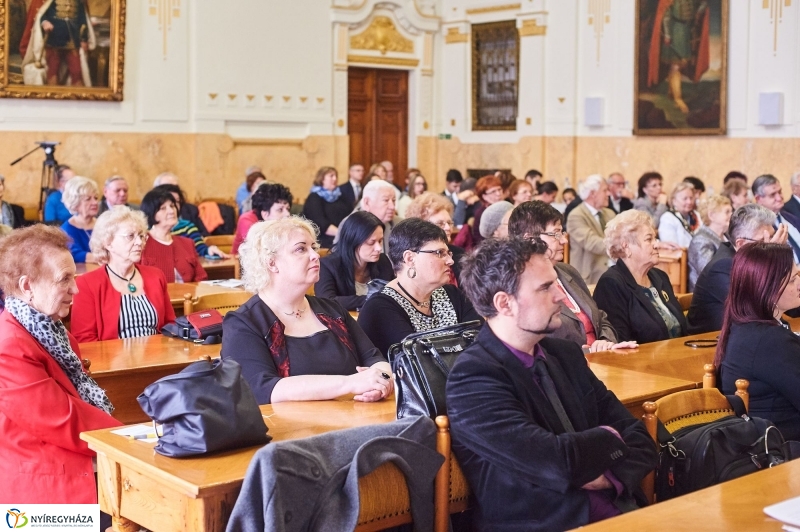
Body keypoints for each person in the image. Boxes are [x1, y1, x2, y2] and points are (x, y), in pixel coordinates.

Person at [446, 237, 657, 531]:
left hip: (620, 509)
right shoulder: (472, 378)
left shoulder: (565, 354)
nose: (560, 296)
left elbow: (641, 439)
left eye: (556, 283)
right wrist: (610, 436)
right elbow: (556, 462)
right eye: (545, 287)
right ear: (504, 303)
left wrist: (607, 474)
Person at [0, 225, 121, 503]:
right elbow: (61, 419)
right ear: (27, 286)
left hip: (74, 465)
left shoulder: (53, 330)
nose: (76, 289)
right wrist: (125, 438)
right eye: (64, 279)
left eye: (74, 277)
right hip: (43, 488)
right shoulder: (9, 346)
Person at [221, 217, 392, 404]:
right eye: (301, 249)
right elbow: (261, 389)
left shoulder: (333, 310)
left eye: (313, 247)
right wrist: (350, 383)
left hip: (357, 415)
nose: (315, 255)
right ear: (271, 263)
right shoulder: (244, 323)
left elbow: (374, 358)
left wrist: (382, 382)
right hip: (288, 423)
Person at [509, 201, 636, 352]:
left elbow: (600, 318)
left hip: (600, 358)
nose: (564, 240)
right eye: (556, 234)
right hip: (564, 364)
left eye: (562, 233)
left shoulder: (567, 272)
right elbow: (539, 345)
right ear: (529, 239)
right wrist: (585, 353)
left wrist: (605, 341)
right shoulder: (519, 284)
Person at [358, 218, 482, 355]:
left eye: (448, 253)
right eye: (440, 253)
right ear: (410, 259)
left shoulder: (453, 294)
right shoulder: (380, 308)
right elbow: (420, 359)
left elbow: (482, 342)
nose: (450, 261)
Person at [715, 242, 800, 440]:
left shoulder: (746, 325)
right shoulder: (769, 341)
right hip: (782, 447)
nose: (799, 284)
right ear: (767, 288)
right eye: (792, 280)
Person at [71, 207, 176, 342]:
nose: (139, 242)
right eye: (130, 236)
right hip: (112, 355)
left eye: (141, 236)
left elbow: (170, 326)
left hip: (157, 353)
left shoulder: (156, 276)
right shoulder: (87, 284)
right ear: (108, 243)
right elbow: (85, 340)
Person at [687, 204, 786, 334]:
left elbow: (792, 305)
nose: (772, 245)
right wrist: (773, 260)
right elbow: (755, 310)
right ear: (741, 244)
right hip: (707, 343)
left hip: (747, 334)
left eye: (772, 237)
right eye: (764, 241)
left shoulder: (745, 261)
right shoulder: (723, 266)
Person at [594, 209, 688, 343]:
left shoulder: (660, 277)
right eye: (649, 239)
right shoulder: (611, 284)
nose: (656, 244)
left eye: (655, 238)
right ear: (626, 247)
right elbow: (619, 341)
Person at [315, 211, 394, 311]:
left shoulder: (383, 262)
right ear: (353, 241)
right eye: (371, 242)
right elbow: (326, 302)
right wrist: (371, 299)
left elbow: (394, 295)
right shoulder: (327, 266)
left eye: (380, 241)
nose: (379, 248)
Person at [647, 0, 710, 114]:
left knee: (680, 64)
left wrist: (698, 12)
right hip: (675, 30)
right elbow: (666, 15)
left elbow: (703, 3)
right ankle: (678, 99)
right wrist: (667, 34)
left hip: (687, 31)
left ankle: (671, 93)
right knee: (675, 65)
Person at [20, 0, 96, 87]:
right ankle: (53, 93)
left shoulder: (79, 2)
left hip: (72, 42)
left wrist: (83, 39)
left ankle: (77, 94)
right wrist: (45, 23)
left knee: (77, 72)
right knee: (52, 71)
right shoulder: (51, 2)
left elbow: (83, 21)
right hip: (54, 41)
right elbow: (43, 15)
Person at [139, 189, 207, 283]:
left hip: (188, 292)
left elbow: (201, 278)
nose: (171, 211)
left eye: (172, 206)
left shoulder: (187, 243)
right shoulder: (140, 243)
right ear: (151, 213)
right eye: (163, 208)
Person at [154, 184, 229, 259]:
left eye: (176, 202)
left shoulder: (187, 227)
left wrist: (209, 250)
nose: (172, 209)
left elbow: (201, 249)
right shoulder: (150, 231)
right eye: (166, 205)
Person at [405, 192, 465, 285]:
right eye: (440, 223)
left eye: (449, 223)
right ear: (421, 227)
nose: (448, 228)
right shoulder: (415, 258)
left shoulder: (460, 254)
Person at [566, 174, 616, 284]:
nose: (608, 194)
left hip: (613, 273)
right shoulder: (576, 215)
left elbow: (621, 236)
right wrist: (620, 247)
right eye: (605, 190)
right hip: (589, 278)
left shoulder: (610, 214)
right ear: (593, 193)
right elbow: (592, 242)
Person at [232, 183, 293, 255]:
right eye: (280, 210)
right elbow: (258, 248)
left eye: (288, 209)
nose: (287, 214)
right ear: (265, 214)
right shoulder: (246, 220)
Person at [688, 195, 732, 291]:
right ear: (712, 215)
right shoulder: (700, 240)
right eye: (727, 212)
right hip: (709, 292)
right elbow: (710, 273)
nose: (731, 215)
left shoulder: (727, 235)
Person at [753, 174, 800, 264]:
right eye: (772, 195)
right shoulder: (759, 229)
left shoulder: (790, 217)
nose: (779, 198)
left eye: (780, 192)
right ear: (758, 199)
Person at [301, 166, 351, 249]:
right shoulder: (314, 197)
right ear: (322, 179)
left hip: (342, 237)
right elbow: (320, 223)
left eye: (336, 176)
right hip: (322, 240)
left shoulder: (341, 196)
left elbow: (349, 215)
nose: (335, 179)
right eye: (331, 176)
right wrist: (342, 234)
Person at [60, 176, 100, 263]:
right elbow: (74, 254)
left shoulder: (103, 224)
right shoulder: (67, 229)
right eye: (88, 199)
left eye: (96, 198)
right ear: (75, 203)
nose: (95, 202)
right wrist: (106, 257)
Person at [658, 182, 701, 248]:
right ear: (674, 201)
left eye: (691, 198)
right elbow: (672, 247)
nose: (689, 202)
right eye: (685, 199)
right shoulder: (667, 218)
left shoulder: (696, 215)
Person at [471, 175, 504, 246]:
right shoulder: (481, 213)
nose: (498, 194)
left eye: (499, 189)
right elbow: (480, 240)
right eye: (493, 191)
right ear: (484, 196)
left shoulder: (506, 208)